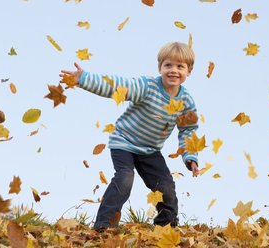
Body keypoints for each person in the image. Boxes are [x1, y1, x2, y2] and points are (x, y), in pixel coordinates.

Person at [60, 42, 200, 230]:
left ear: (188, 71)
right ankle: (104, 224)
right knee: (125, 178)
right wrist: (84, 79)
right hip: (124, 142)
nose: (173, 70)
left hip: (150, 150)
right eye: (168, 65)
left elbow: (188, 130)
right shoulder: (147, 87)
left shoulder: (186, 102)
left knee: (165, 186)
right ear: (160, 67)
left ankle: (166, 227)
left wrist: (190, 156)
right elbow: (119, 86)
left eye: (180, 66)